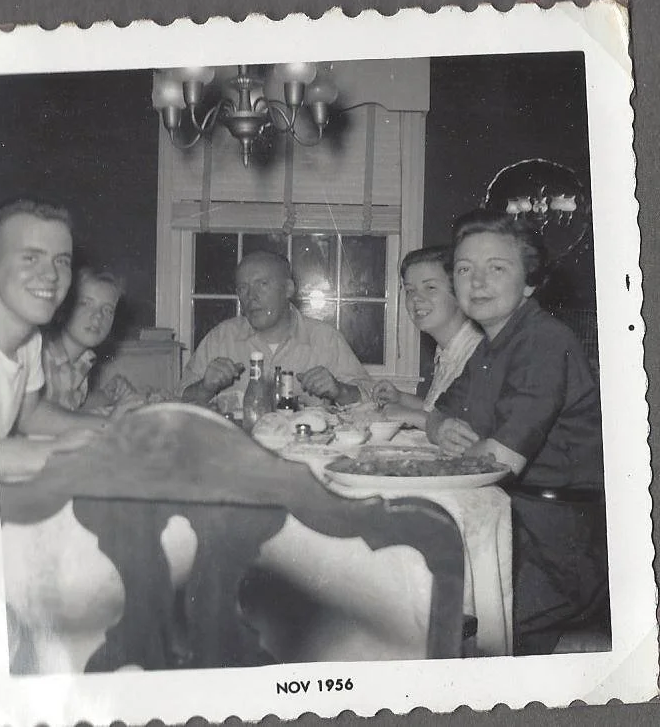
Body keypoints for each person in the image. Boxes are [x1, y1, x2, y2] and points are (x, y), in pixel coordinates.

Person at [426, 210, 607, 655]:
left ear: (529, 282)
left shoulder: (544, 341)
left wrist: (443, 452)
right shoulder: (492, 345)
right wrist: (442, 426)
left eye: (497, 268)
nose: (477, 281)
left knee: (433, 614)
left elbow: (501, 459)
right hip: (513, 518)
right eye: (464, 269)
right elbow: (436, 414)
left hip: (555, 543)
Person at [0, 199, 117, 481]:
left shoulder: (30, 340)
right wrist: (56, 451)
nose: (51, 275)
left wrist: (112, 427)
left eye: (61, 261)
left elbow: (30, 414)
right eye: (30, 258)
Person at [179, 250, 372, 408]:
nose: (251, 296)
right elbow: (177, 399)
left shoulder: (325, 339)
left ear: (288, 289)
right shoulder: (220, 338)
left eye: (262, 285)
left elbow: (371, 399)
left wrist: (339, 390)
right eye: (243, 288)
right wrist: (204, 388)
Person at [371, 246, 482, 429]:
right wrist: (401, 398)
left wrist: (410, 415)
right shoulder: (447, 351)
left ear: (459, 294)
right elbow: (441, 412)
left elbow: (469, 431)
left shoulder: (478, 353)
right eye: (410, 290)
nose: (415, 298)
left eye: (430, 287)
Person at [42, 267, 141, 411]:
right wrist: (110, 421)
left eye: (107, 309)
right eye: (86, 303)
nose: (98, 315)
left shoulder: (83, 361)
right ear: (65, 306)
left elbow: (71, 406)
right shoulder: (45, 359)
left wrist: (108, 395)